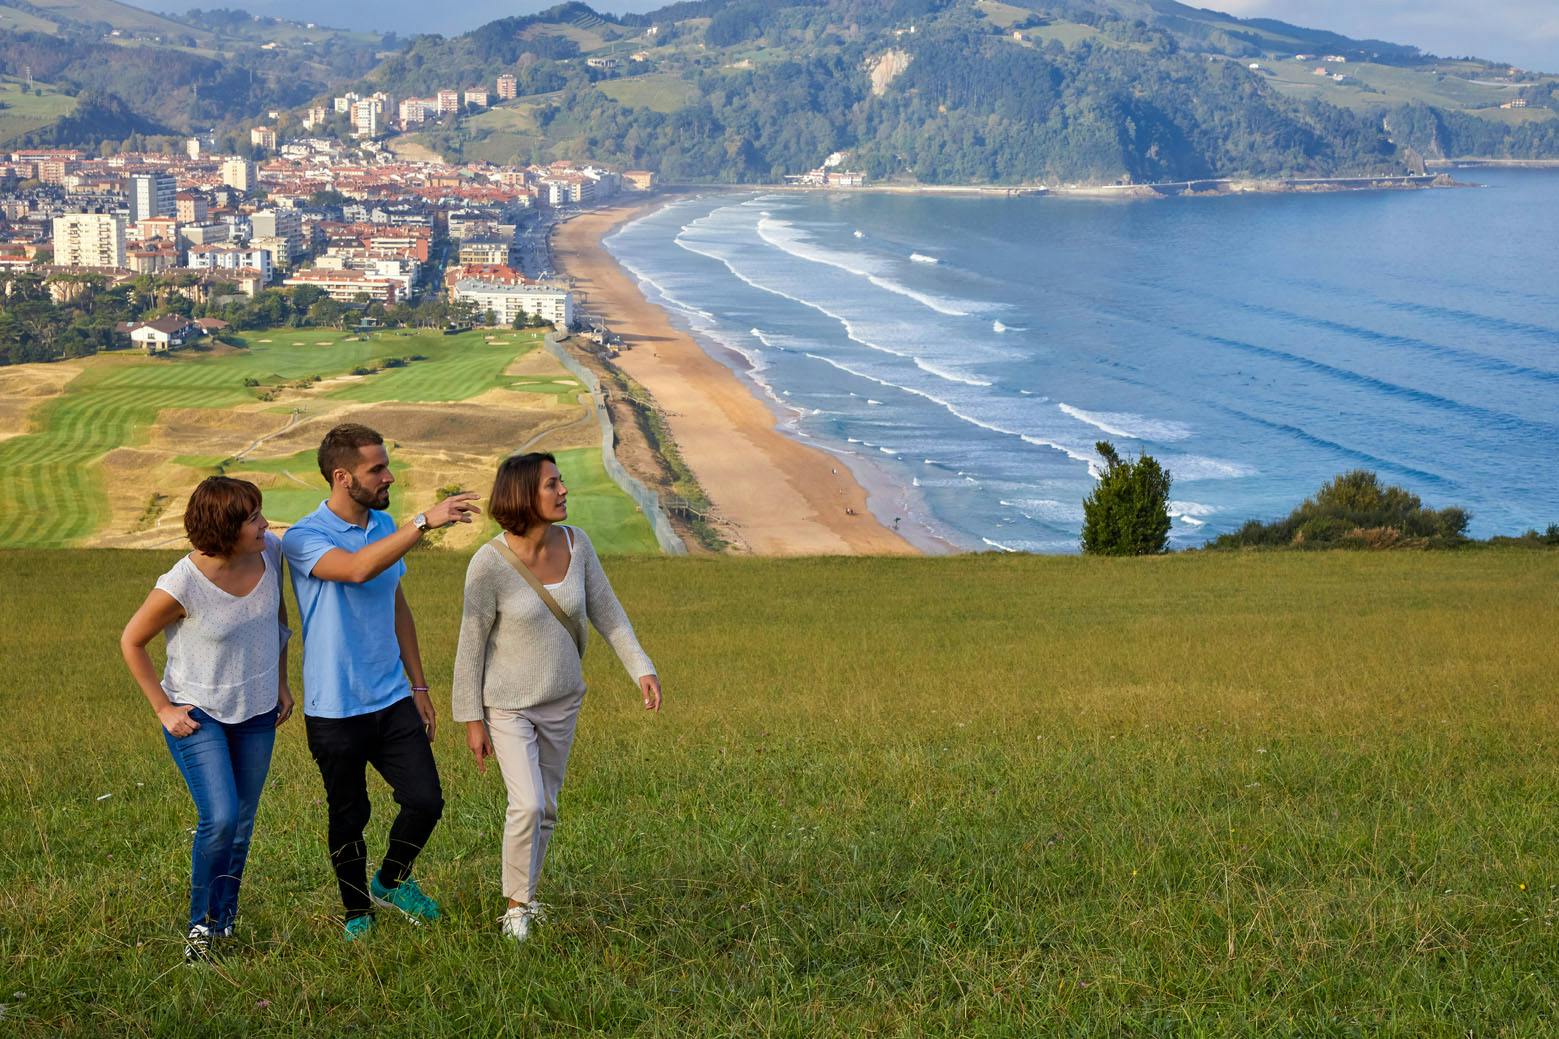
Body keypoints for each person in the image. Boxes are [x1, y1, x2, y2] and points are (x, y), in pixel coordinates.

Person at [452, 451, 662, 943]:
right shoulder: (488, 564)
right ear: (524, 495)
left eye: (561, 481)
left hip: (563, 700)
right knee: (526, 804)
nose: (563, 489)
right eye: (552, 484)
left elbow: (607, 613)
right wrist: (472, 720)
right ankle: (515, 910)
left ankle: (527, 896)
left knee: (546, 806)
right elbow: (469, 646)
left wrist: (642, 668)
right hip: (508, 705)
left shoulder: (577, 543)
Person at [281, 423, 480, 940]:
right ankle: (356, 912)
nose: (388, 476)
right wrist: (423, 522)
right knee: (349, 814)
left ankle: (391, 880)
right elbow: (355, 571)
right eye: (377, 469)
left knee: (426, 801)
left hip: (392, 698)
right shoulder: (304, 537)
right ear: (343, 477)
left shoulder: (385, 522)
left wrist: (420, 687)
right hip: (334, 707)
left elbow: (396, 603)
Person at [120, 477, 293, 963]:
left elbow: (277, 622)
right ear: (224, 529)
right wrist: (163, 708)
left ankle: (225, 920)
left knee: (241, 824)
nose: (265, 524)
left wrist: (280, 683)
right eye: (254, 518)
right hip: (197, 714)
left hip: (258, 711)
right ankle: (200, 925)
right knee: (218, 818)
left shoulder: (270, 553)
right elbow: (131, 640)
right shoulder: (182, 583)